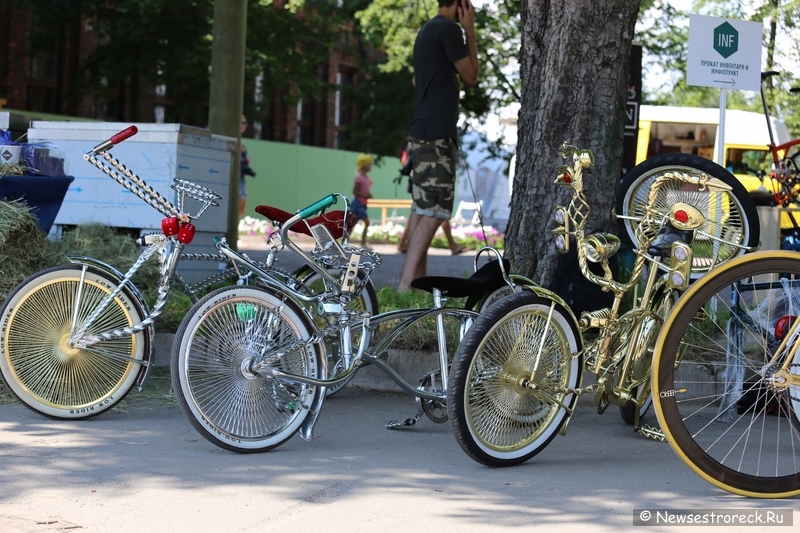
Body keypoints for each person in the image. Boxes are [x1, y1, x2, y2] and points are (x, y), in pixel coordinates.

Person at [398, 0, 479, 291]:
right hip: (436, 134)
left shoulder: (428, 30)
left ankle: (415, 286)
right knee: (435, 210)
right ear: (460, 4)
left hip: (423, 131)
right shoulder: (448, 29)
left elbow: (415, 79)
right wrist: (469, 29)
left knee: (423, 207)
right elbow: (471, 76)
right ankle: (406, 285)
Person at [351, 153, 373, 247]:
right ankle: (363, 243)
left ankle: (345, 242)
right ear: (363, 166)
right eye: (369, 164)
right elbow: (355, 191)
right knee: (366, 222)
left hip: (363, 204)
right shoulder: (359, 178)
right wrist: (366, 195)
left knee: (353, 224)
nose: (371, 166)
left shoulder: (367, 178)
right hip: (358, 204)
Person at [239, 115, 257, 219]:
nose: (244, 125)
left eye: (245, 122)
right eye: (242, 122)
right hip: (232, 178)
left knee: (242, 202)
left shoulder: (242, 143)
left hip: (241, 177)